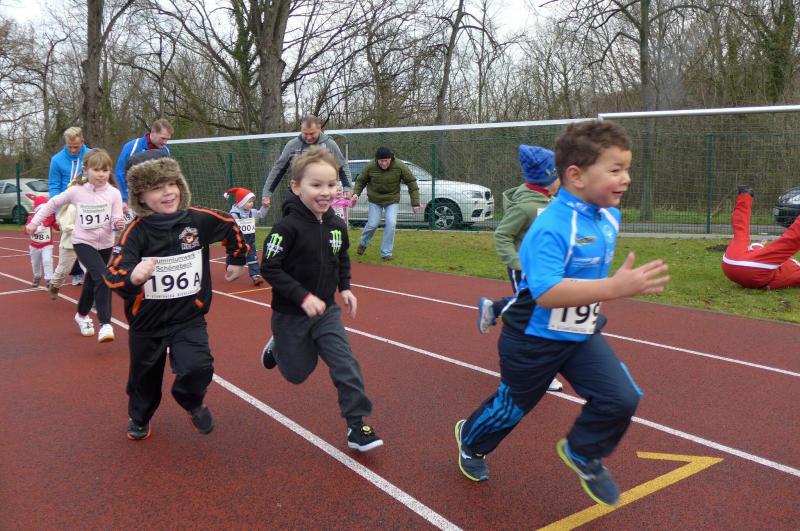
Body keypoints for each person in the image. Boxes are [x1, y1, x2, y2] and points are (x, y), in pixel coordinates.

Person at [453, 121, 670, 508]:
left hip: (580, 334)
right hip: (532, 340)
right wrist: (615, 288)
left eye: (627, 168)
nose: (626, 179)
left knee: (621, 398)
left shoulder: (609, 217)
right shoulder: (550, 227)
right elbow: (548, 293)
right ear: (576, 175)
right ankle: (471, 440)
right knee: (511, 409)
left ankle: (583, 452)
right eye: (615, 169)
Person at [104, 150, 248, 441]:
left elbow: (230, 225)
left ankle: (190, 399)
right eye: (157, 188)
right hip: (147, 322)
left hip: (189, 316)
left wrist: (237, 257)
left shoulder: (198, 219)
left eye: (172, 184)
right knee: (144, 379)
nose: (168, 192)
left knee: (199, 366)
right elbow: (113, 273)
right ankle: (140, 417)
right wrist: (134, 277)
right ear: (141, 197)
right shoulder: (135, 233)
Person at [258, 146, 382, 452]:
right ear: (296, 187)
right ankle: (279, 346)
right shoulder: (286, 228)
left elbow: (342, 258)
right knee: (297, 373)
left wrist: (346, 288)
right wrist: (302, 297)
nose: (325, 192)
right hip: (291, 314)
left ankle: (357, 425)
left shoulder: (337, 225)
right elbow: (269, 267)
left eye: (331, 184)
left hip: (326, 311)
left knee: (346, 364)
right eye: (316, 185)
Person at [475, 144, 563, 392]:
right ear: (547, 179)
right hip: (524, 270)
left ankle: (495, 308)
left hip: (548, 271)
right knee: (536, 317)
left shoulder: (552, 201)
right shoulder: (525, 207)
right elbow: (503, 235)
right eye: (558, 175)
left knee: (541, 314)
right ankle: (536, 371)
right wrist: (518, 264)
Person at [27, 148, 125, 343]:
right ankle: (105, 324)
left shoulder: (114, 193)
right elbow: (52, 203)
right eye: (96, 170)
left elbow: (116, 217)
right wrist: (34, 223)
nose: (101, 174)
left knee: (92, 282)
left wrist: (118, 223)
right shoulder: (76, 191)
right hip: (83, 242)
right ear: (86, 170)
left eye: (105, 170)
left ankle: (81, 315)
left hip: (106, 243)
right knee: (103, 277)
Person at [261, 114, 352, 209]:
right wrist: (267, 193)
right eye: (305, 134)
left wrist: (348, 188)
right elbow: (278, 169)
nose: (308, 137)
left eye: (312, 134)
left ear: (319, 128)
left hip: (322, 196)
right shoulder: (292, 145)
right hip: (297, 196)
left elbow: (342, 166)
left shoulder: (329, 145)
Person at [351, 146, 423, 261]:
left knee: (391, 223)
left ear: (391, 159)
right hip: (375, 199)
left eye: (386, 160)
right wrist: (356, 194)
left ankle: (386, 252)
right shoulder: (370, 166)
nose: (384, 163)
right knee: (372, 224)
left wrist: (415, 203)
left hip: (392, 199)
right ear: (377, 160)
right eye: (381, 161)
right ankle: (363, 243)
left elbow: (411, 182)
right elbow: (361, 180)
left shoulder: (399, 166)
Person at [721, 186, 800, 289]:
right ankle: (744, 195)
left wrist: (758, 245)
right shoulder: (791, 272)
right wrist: (758, 245)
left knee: (740, 230)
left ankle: (744, 195)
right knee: (788, 242)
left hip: (731, 262)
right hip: (740, 267)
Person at [48, 126, 89, 285]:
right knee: (70, 241)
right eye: (69, 146)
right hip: (67, 207)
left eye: (76, 147)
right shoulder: (57, 160)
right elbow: (54, 186)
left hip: (87, 205)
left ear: (82, 141)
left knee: (89, 240)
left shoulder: (91, 155)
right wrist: (58, 209)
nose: (73, 150)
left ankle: (92, 273)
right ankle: (74, 273)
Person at [114, 118, 174, 201]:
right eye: (163, 138)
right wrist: (125, 198)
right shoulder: (132, 147)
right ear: (153, 132)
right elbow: (119, 173)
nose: (165, 142)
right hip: (133, 198)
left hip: (156, 199)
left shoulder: (165, 151)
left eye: (167, 139)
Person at [224, 186, 269, 286]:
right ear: (241, 203)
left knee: (253, 258)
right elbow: (229, 226)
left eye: (252, 201)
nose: (251, 204)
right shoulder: (234, 215)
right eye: (249, 202)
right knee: (235, 255)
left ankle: (255, 276)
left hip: (250, 241)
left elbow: (261, 214)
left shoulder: (253, 212)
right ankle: (229, 262)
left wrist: (265, 207)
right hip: (238, 241)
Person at [23, 194, 57, 288]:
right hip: (34, 245)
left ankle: (49, 279)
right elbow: (25, 231)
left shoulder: (50, 217)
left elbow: (56, 226)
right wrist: (32, 229)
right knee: (35, 262)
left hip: (47, 244)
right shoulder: (31, 218)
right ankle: (37, 276)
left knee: (47, 260)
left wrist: (58, 222)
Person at [47, 201, 78, 300]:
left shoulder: (93, 206)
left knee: (94, 271)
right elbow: (66, 227)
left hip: (88, 244)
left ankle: (95, 298)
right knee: (64, 270)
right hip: (70, 244)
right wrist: (82, 228)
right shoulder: (72, 208)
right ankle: (55, 285)